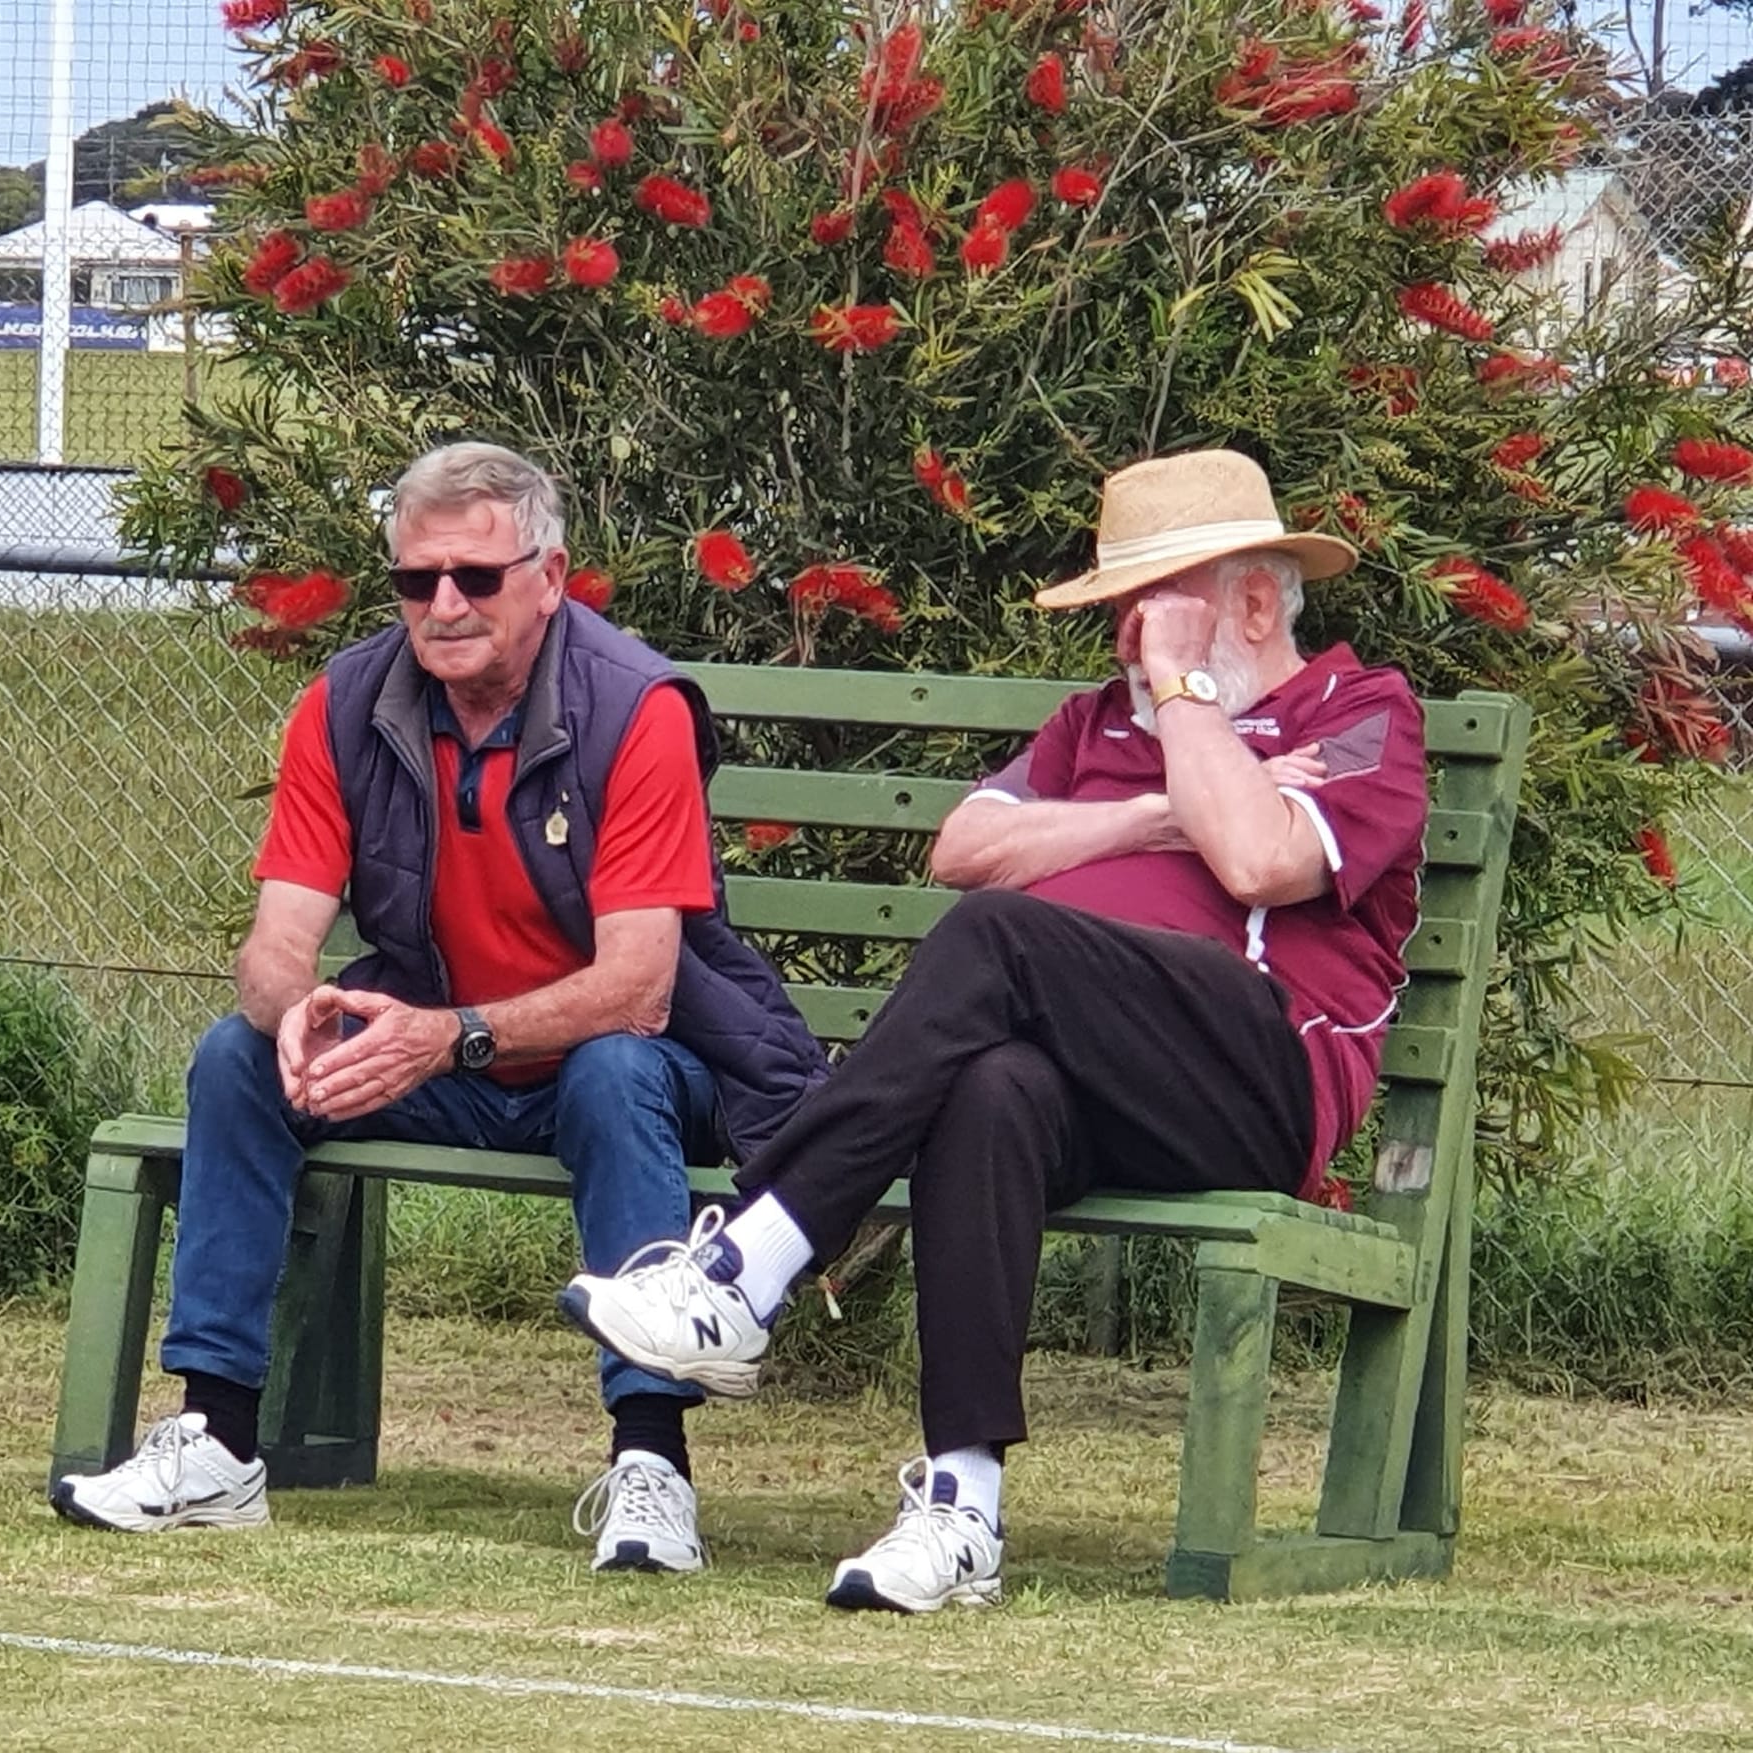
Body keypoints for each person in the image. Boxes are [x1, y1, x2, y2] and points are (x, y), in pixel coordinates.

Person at [558, 448, 1430, 1612]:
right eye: (1122, 613)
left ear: (1256, 605)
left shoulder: (1361, 714)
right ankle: (961, 1507)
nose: (1127, 638)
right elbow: (965, 847)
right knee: (989, 1090)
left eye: (1151, 608)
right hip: (1095, 1086)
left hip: (1252, 1080)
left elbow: (1257, 857)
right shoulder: (1086, 728)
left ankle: (749, 1266)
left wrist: (1184, 698)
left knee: (996, 937)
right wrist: (1149, 813)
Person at [52, 441, 826, 1571]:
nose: (445, 604)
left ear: (549, 578)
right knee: (237, 1058)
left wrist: (450, 1036)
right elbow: (272, 947)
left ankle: (650, 1465)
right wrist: (297, 1010)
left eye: (475, 576)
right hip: (439, 1050)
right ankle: (216, 1441)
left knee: (613, 1070)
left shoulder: (639, 707)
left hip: (634, 1062)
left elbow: (640, 986)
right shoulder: (343, 703)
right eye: (417, 580)